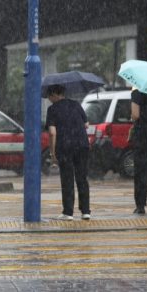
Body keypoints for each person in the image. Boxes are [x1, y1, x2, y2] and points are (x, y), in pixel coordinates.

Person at [45, 84, 91, 221]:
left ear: (54, 94)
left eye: (49, 96)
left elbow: (52, 132)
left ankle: (68, 212)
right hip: (82, 145)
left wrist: (52, 154)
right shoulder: (76, 104)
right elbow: (86, 124)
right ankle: (86, 211)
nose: (48, 99)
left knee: (67, 179)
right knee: (82, 178)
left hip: (65, 147)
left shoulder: (52, 109)